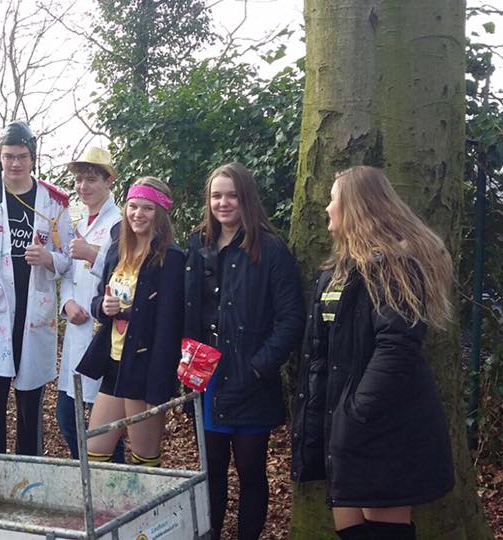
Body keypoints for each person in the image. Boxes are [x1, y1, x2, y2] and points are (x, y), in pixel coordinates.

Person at [291, 166, 455, 540]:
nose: (327, 207)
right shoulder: (337, 271)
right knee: (350, 529)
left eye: (333, 199)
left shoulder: (394, 267)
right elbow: (322, 351)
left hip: (383, 426)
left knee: (384, 532)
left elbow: (396, 348)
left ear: (356, 206)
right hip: (343, 426)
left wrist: (357, 411)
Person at [183, 163, 304, 540]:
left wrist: (258, 367)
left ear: (246, 198)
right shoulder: (197, 244)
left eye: (232, 195)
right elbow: (187, 311)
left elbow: (291, 318)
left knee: (251, 471)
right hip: (207, 378)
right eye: (216, 196)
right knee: (212, 470)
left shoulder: (270, 249)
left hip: (251, 378)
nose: (223, 203)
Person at [0, 120, 73, 455]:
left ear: (33, 158)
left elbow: (69, 258)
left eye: (22, 156)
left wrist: (49, 258)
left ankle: (30, 473)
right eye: (8, 156)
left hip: (34, 312)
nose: (15, 163)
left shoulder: (54, 201)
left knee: (30, 407)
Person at [76, 176, 185, 467]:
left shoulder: (171, 259)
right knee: (94, 451)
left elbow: (169, 328)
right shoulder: (117, 249)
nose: (138, 214)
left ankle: (148, 500)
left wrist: (158, 387)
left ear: (160, 213)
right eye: (133, 206)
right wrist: (104, 307)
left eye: (147, 208)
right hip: (114, 363)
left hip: (145, 368)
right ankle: (105, 500)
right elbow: (98, 299)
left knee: (144, 459)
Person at [55, 146, 124, 462]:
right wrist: (67, 303)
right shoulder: (79, 222)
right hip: (77, 328)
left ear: (109, 181)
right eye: (80, 180)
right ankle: (87, 475)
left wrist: (93, 255)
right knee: (67, 418)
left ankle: (112, 482)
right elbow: (70, 274)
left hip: (105, 331)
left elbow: (126, 272)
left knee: (105, 427)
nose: (83, 186)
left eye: (92, 179)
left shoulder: (120, 223)